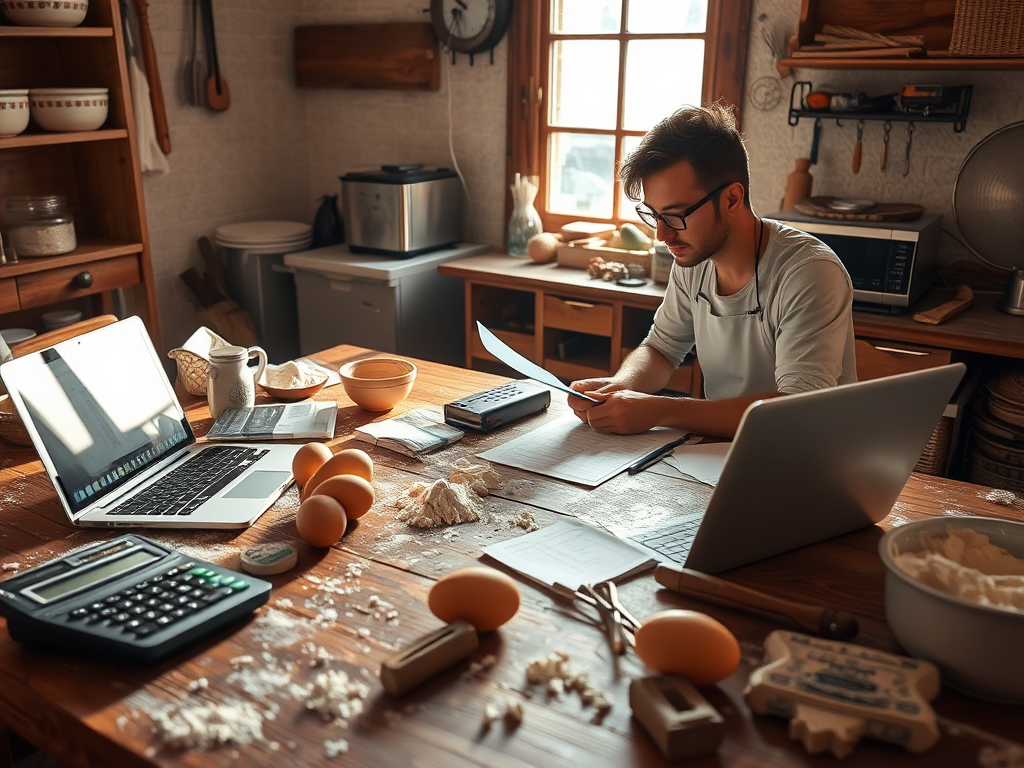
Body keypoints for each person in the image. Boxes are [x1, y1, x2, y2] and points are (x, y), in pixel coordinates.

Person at [568, 103, 857, 438]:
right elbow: (661, 348)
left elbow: (795, 410)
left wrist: (661, 409)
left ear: (732, 198)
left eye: (676, 215)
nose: (663, 235)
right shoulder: (693, 255)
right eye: (654, 216)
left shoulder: (809, 273)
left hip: (807, 456)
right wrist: (620, 387)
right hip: (721, 452)